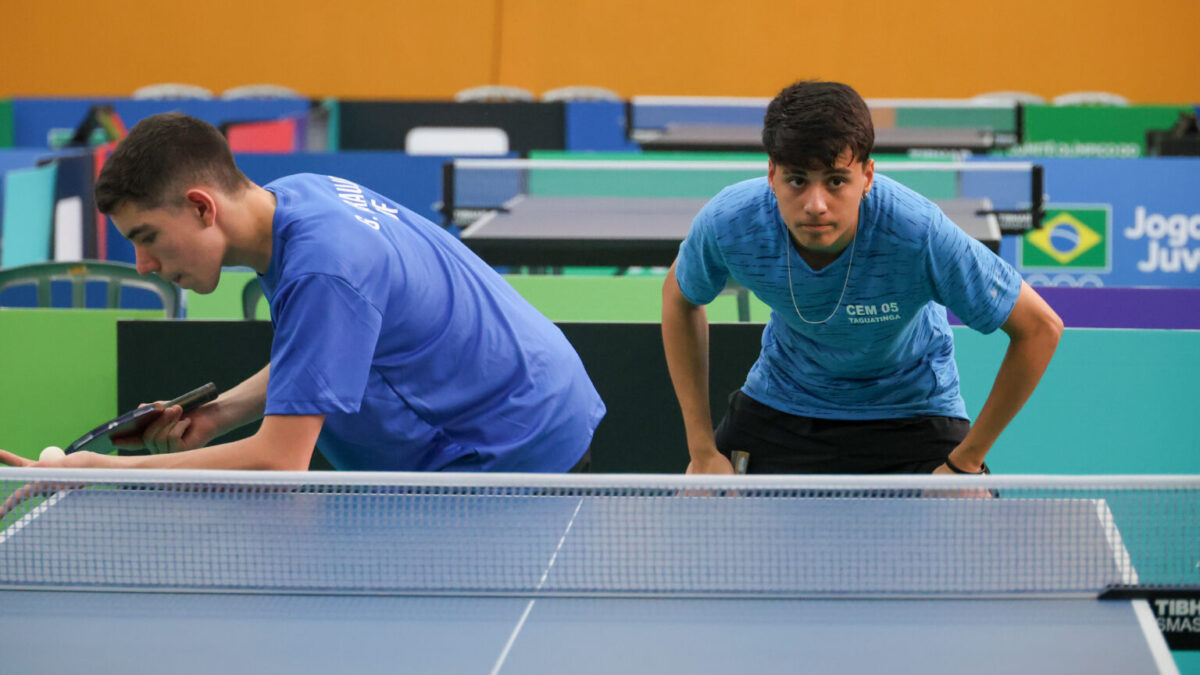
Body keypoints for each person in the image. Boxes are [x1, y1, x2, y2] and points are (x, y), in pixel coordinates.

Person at [0, 113, 605, 472]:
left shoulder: (323, 264)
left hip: (512, 438)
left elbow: (277, 461)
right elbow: (328, 350)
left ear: (201, 207)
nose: (145, 264)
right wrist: (218, 416)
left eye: (148, 236)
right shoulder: (297, 196)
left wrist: (105, 474)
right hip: (529, 390)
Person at [662, 80, 1062, 475]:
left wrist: (965, 462)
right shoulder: (731, 223)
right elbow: (679, 297)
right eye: (797, 179)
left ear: (867, 176)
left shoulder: (917, 233)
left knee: (967, 528)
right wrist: (701, 451)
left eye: (836, 180)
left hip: (912, 412)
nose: (816, 205)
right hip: (785, 404)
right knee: (711, 520)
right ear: (771, 174)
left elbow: (1040, 327)